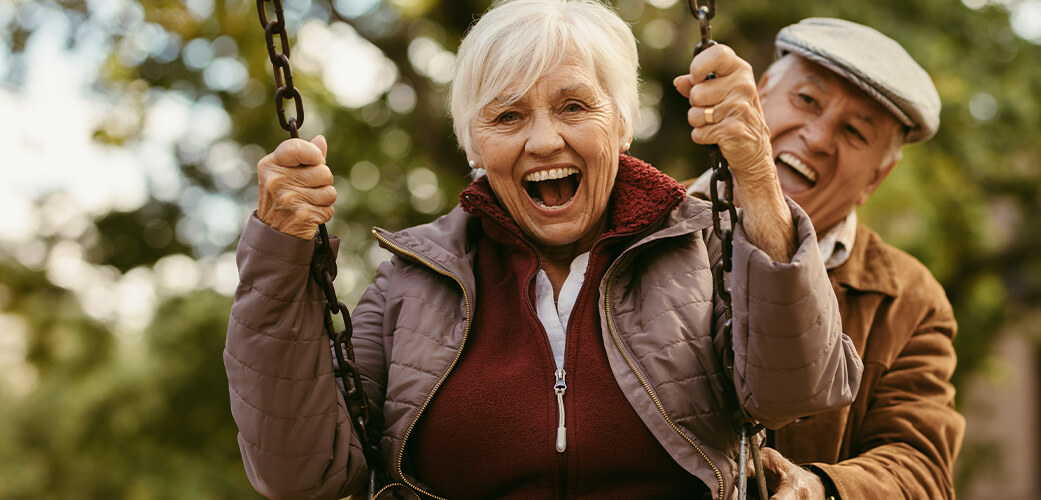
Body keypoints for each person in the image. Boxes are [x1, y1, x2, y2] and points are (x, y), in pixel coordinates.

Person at [223, 1, 862, 499]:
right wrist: (279, 251)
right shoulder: (406, 286)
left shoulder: (703, 249)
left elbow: (796, 391)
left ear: (621, 122)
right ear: (474, 144)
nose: (544, 140)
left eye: (575, 106)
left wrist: (755, 176)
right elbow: (299, 476)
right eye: (507, 117)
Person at [683, 18, 964, 499]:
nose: (816, 137)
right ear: (761, 93)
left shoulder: (911, 300)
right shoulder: (638, 225)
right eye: (806, 101)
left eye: (854, 131)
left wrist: (821, 488)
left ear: (879, 176)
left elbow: (921, 468)